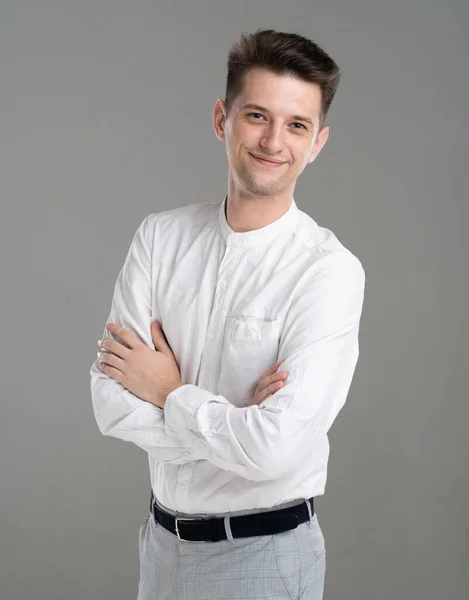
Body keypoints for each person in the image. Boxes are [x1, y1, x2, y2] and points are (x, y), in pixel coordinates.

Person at [90, 28, 365, 600]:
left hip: (265, 557)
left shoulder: (328, 272)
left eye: (297, 125)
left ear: (318, 142)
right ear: (222, 118)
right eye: (257, 115)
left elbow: (276, 449)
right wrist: (235, 426)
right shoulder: (159, 238)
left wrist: (169, 393)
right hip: (161, 547)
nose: (273, 141)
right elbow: (110, 404)